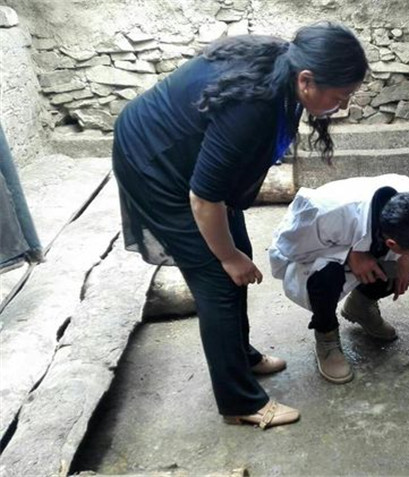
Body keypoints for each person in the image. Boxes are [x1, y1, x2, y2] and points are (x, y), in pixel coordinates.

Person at [111, 22, 368, 429]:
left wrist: (235, 255)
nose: (342, 107)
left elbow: (216, 187)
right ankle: (239, 402)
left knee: (237, 262)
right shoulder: (254, 109)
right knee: (218, 276)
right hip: (155, 164)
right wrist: (228, 256)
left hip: (185, 156)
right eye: (339, 97)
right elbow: (203, 197)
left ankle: (240, 357)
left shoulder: (285, 64)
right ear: (306, 80)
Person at [269, 174, 409, 384]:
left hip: (374, 242)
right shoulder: (324, 212)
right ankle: (326, 336)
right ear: (391, 243)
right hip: (309, 253)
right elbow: (288, 250)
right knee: (326, 275)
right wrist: (350, 254)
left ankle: (361, 305)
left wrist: (406, 257)